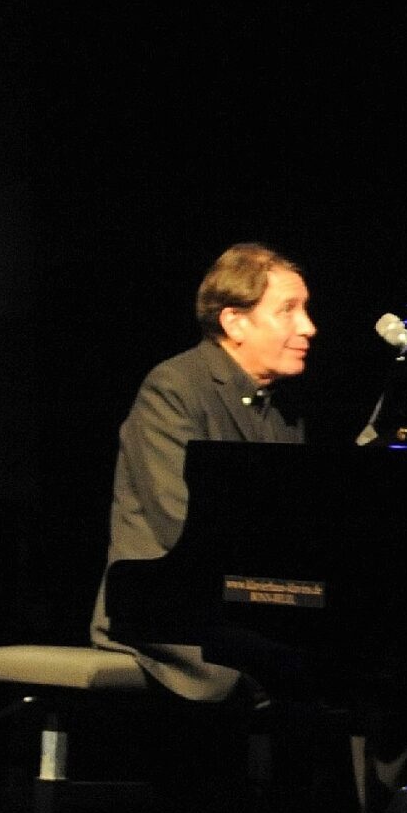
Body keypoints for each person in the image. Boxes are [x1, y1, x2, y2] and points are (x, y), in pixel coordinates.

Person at [90, 242, 315, 701]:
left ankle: (387, 779)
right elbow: (180, 521)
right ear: (235, 322)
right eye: (288, 310)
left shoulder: (283, 409)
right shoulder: (173, 388)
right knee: (302, 665)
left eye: (305, 310)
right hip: (169, 612)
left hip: (249, 604)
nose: (308, 327)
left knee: (382, 663)